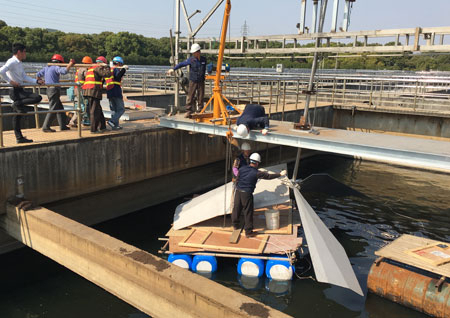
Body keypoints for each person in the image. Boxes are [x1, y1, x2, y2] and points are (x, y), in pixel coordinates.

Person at [232, 153, 287, 237]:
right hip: (247, 194)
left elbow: (238, 178)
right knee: (248, 212)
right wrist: (280, 174)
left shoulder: (242, 168)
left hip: (238, 191)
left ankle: (235, 225)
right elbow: (268, 176)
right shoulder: (257, 173)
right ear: (257, 163)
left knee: (236, 208)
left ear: (250, 161)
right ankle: (248, 232)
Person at [0, 43, 43, 143]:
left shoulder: (19, 63)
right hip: (14, 90)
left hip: (20, 90)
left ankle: (19, 138)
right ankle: (16, 104)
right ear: (19, 52)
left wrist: (36, 82)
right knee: (37, 98)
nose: (25, 54)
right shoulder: (12, 61)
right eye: (24, 51)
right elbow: (1, 71)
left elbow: (24, 77)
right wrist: (10, 82)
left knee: (18, 114)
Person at [37, 54, 75, 132]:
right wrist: (70, 64)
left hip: (49, 89)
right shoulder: (56, 67)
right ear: (58, 62)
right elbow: (64, 71)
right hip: (54, 90)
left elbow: (38, 75)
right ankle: (45, 127)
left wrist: (40, 80)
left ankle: (63, 125)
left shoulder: (46, 68)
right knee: (53, 108)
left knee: (60, 108)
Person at [167, 43, 207, 118]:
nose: (193, 54)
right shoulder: (191, 60)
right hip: (193, 81)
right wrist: (173, 69)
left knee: (200, 96)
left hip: (201, 81)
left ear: (198, 52)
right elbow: (182, 64)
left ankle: (200, 110)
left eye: (194, 52)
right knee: (190, 96)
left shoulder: (204, 60)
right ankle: (189, 111)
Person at [82, 56, 111, 133]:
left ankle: (102, 127)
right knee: (94, 111)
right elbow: (107, 74)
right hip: (93, 91)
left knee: (98, 109)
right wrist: (107, 67)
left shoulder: (91, 68)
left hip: (89, 91)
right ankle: (93, 129)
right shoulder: (98, 67)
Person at [106, 56, 128, 130]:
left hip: (109, 91)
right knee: (121, 109)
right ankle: (112, 121)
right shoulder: (116, 69)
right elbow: (118, 77)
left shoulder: (109, 69)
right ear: (118, 63)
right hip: (115, 91)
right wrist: (123, 70)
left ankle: (115, 126)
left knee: (114, 110)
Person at [69, 56, 92, 127]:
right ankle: (79, 121)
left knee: (80, 105)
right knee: (83, 106)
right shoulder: (85, 69)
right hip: (81, 89)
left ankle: (74, 121)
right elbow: (88, 78)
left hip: (76, 89)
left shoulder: (78, 69)